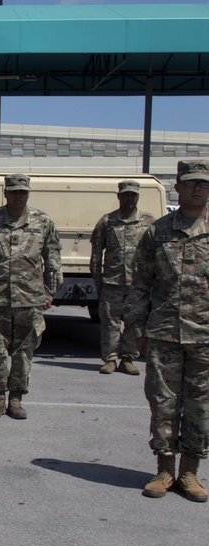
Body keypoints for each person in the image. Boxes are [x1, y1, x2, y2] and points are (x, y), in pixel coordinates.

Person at [124, 160, 209, 502]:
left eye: (203, 183)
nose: (197, 189)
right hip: (163, 335)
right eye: (191, 183)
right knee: (163, 405)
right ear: (178, 187)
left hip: (205, 336)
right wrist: (135, 329)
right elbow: (141, 283)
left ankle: (190, 472)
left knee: (201, 406)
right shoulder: (156, 233)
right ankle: (164, 469)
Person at [0, 173, 63, 420]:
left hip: (29, 299)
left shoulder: (43, 221)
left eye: (22, 191)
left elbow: (53, 259)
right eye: (13, 191)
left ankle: (17, 398)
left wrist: (50, 292)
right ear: (5, 192)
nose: (17, 195)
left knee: (23, 352)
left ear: (28, 193)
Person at [89, 180, 156, 375]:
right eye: (126, 195)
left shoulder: (148, 222)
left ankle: (128, 359)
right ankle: (110, 359)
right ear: (119, 196)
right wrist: (98, 281)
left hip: (138, 283)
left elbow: (155, 253)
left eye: (133, 195)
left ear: (138, 197)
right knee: (110, 322)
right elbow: (96, 253)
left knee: (134, 322)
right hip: (112, 281)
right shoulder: (107, 221)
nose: (129, 198)